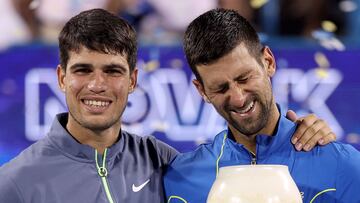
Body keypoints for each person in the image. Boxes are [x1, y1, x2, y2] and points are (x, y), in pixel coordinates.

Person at [0, 8, 337, 203]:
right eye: (82, 70)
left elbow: (244, 163)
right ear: (61, 77)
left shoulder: (163, 164)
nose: (97, 85)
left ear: (132, 81)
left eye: (113, 71)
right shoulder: (15, 181)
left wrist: (303, 132)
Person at [164, 8, 360, 203]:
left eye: (244, 78)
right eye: (221, 88)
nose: (239, 98)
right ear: (202, 91)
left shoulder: (342, 168)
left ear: (268, 62)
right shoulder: (179, 180)